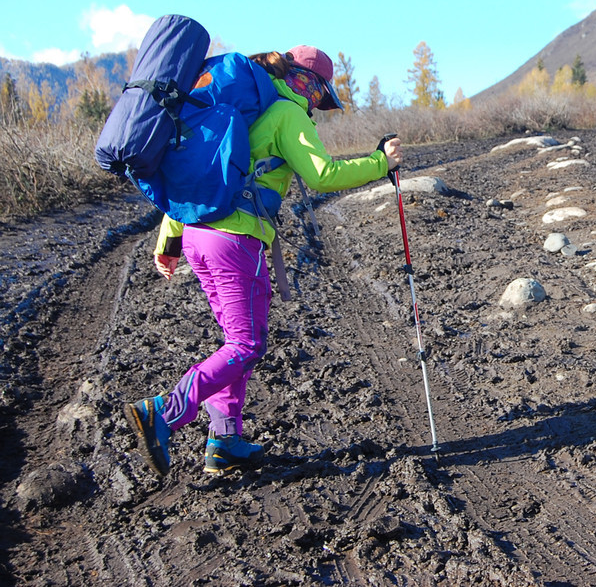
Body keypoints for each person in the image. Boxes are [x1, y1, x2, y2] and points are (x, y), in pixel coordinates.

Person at [124, 45, 402, 478]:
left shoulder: (240, 107)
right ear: (308, 84)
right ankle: (164, 411)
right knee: (245, 345)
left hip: (199, 236)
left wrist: (171, 238)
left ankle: (225, 441)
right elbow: (322, 175)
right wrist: (380, 161)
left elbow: (199, 173)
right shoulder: (286, 115)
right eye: (319, 96)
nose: (317, 106)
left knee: (238, 342)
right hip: (236, 241)